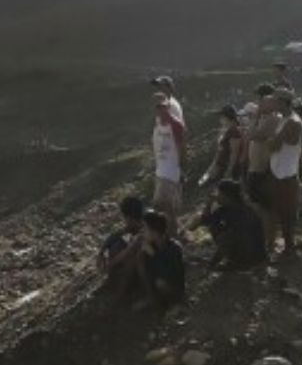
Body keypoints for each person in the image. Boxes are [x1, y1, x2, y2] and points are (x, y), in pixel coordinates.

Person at [188, 179, 266, 269]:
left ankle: (236, 262)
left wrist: (212, 263)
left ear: (226, 195)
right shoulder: (239, 208)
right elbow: (205, 220)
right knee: (217, 227)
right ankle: (235, 260)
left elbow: (227, 238)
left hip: (248, 258)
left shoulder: (232, 212)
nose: (216, 196)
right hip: (258, 257)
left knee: (220, 230)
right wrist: (209, 204)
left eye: (218, 193)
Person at [267, 88, 302, 258]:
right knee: (280, 210)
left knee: (287, 213)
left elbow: (273, 145)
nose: (272, 104)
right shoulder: (284, 120)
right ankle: (284, 245)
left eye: (275, 101)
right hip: (279, 171)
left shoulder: (293, 122)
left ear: (283, 102)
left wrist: (272, 140)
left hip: (286, 174)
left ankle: (290, 248)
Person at [151, 92, 185, 236]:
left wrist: (181, 168)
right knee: (161, 207)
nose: (160, 109)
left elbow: (182, 147)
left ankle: (172, 236)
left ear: (168, 106)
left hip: (171, 171)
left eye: (163, 106)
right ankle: (168, 234)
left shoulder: (176, 124)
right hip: (160, 170)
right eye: (157, 106)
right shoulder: (158, 124)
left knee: (166, 206)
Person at [135, 211, 185, 309]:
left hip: (173, 287)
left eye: (145, 228)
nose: (142, 231)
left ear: (154, 232)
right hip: (156, 284)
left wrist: (154, 255)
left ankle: (172, 304)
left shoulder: (174, 248)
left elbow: (170, 274)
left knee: (161, 283)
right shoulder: (151, 245)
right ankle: (152, 298)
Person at [98, 196, 146, 294]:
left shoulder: (144, 233)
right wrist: (102, 251)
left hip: (144, 272)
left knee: (120, 251)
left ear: (128, 218)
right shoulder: (135, 225)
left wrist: (109, 266)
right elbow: (117, 234)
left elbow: (127, 253)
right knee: (116, 242)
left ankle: (121, 294)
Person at [245, 84, 280, 211]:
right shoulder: (263, 118)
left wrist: (255, 117)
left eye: (260, 100)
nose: (257, 103)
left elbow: (251, 135)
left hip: (262, 168)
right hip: (255, 166)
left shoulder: (273, 119)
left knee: (262, 205)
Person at [200, 105, 244, 185]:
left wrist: (228, 173)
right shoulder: (227, 131)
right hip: (219, 168)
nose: (220, 119)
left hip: (226, 170)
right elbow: (219, 153)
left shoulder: (234, 132)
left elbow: (234, 154)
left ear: (227, 117)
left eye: (222, 116)